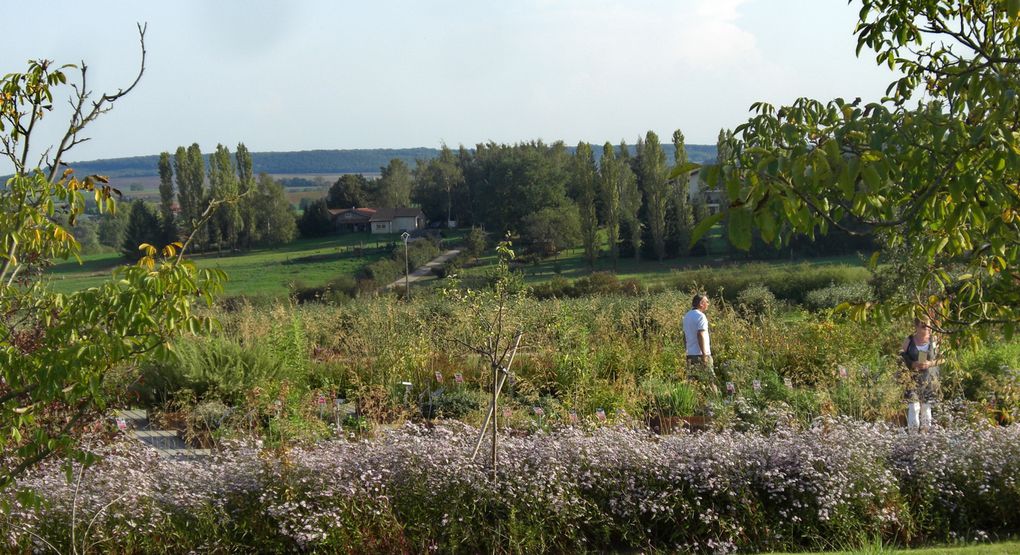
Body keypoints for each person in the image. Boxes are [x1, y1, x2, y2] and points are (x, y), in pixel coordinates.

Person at [900, 318, 942, 431]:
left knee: (926, 409)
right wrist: (912, 363)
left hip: (929, 379)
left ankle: (925, 437)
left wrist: (930, 363)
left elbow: (943, 359)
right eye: (923, 326)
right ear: (917, 326)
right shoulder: (909, 340)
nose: (927, 328)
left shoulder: (934, 340)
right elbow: (901, 356)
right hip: (912, 379)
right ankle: (913, 437)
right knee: (913, 407)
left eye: (928, 325)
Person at [683, 294, 717, 393]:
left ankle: (691, 403)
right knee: (711, 381)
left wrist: (687, 350)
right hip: (701, 354)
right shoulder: (701, 316)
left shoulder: (687, 316)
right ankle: (717, 403)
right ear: (701, 304)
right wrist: (704, 355)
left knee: (691, 382)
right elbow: (700, 334)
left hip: (690, 354)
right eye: (706, 302)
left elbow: (684, 336)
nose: (708, 304)